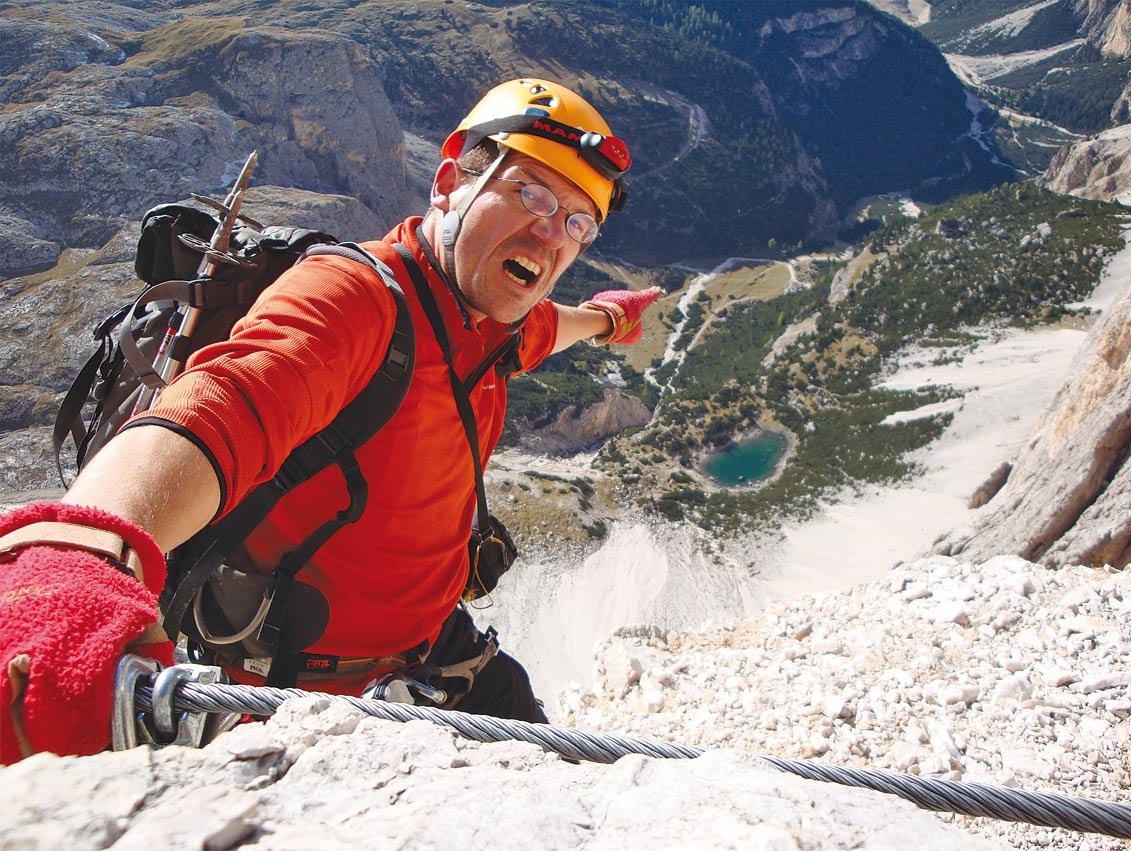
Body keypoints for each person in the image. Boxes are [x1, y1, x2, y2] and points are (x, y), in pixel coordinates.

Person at [0, 78, 661, 762]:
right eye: (531, 193)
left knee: (547, 752)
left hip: (436, 653)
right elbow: (223, 407)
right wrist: (78, 553)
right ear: (448, 185)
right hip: (300, 698)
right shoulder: (356, 300)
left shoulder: (492, 320)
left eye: (578, 223)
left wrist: (608, 319)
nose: (551, 233)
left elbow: (546, 326)